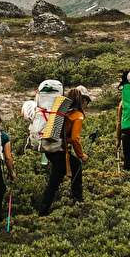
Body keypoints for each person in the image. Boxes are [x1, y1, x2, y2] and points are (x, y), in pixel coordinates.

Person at [37, 85, 89, 215]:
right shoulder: (77, 115)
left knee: (57, 178)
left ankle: (45, 209)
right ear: (82, 101)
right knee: (74, 166)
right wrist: (81, 155)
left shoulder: (64, 111)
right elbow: (75, 138)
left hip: (51, 150)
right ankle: (77, 202)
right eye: (86, 101)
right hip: (59, 151)